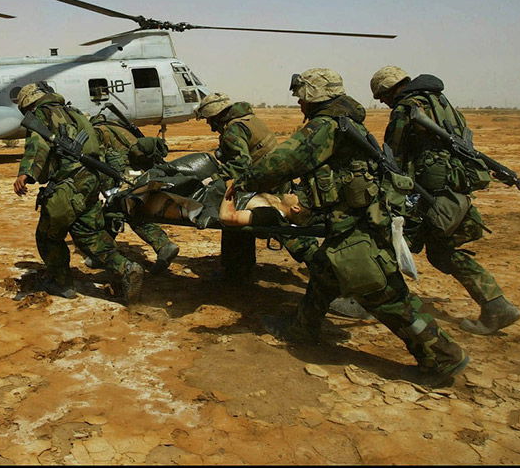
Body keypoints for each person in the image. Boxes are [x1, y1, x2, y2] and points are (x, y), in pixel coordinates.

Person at [240, 68, 469, 386]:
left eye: (302, 96)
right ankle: (302, 329)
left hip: (359, 227)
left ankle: (443, 357)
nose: (299, 103)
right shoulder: (346, 121)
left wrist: (244, 180)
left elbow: (283, 162)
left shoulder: (326, 126)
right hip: (349, 222)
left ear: (315, 94)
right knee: (322, 270)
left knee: (385, 295)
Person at [370, 66, 520, 335]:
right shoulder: (441, 103)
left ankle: (368, 298)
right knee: (442, 251)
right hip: (454, 187)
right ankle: (496, 305)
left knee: (388, 238)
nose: (383, 102)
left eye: (382, 97)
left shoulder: (407, 108)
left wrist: (391, 190)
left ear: (390, 89)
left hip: (429, 192)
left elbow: (395, 156)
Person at [13, 83, 145, 302]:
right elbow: (97, 146)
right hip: (91, 181)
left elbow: (38, 146)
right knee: (90, 234)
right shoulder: (75, 113)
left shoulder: (42, 114)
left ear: (28, 102)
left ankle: (61, 283)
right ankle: (126, 268)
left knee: (48, 235)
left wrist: (26, 173)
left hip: (68, 184)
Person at [194, 93, 278, 284]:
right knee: (242, 225)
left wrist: (212, 179)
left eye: (209, 119)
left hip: (266, 185)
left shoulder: (233, 130)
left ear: (216, 116)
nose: (209, 125)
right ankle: (241, 270)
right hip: (275, 179)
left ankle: (235, 272)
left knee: (230, 219)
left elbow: (242, 164)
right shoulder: (249, 119)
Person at [90, 114, 180, 274]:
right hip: (137, 174)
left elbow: (100, 162)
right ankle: (102, 253)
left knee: (120, 210)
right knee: (117, 211)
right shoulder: (118, 128)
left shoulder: (98, 131)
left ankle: (163, 245)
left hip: (124, 176)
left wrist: (103, 189)